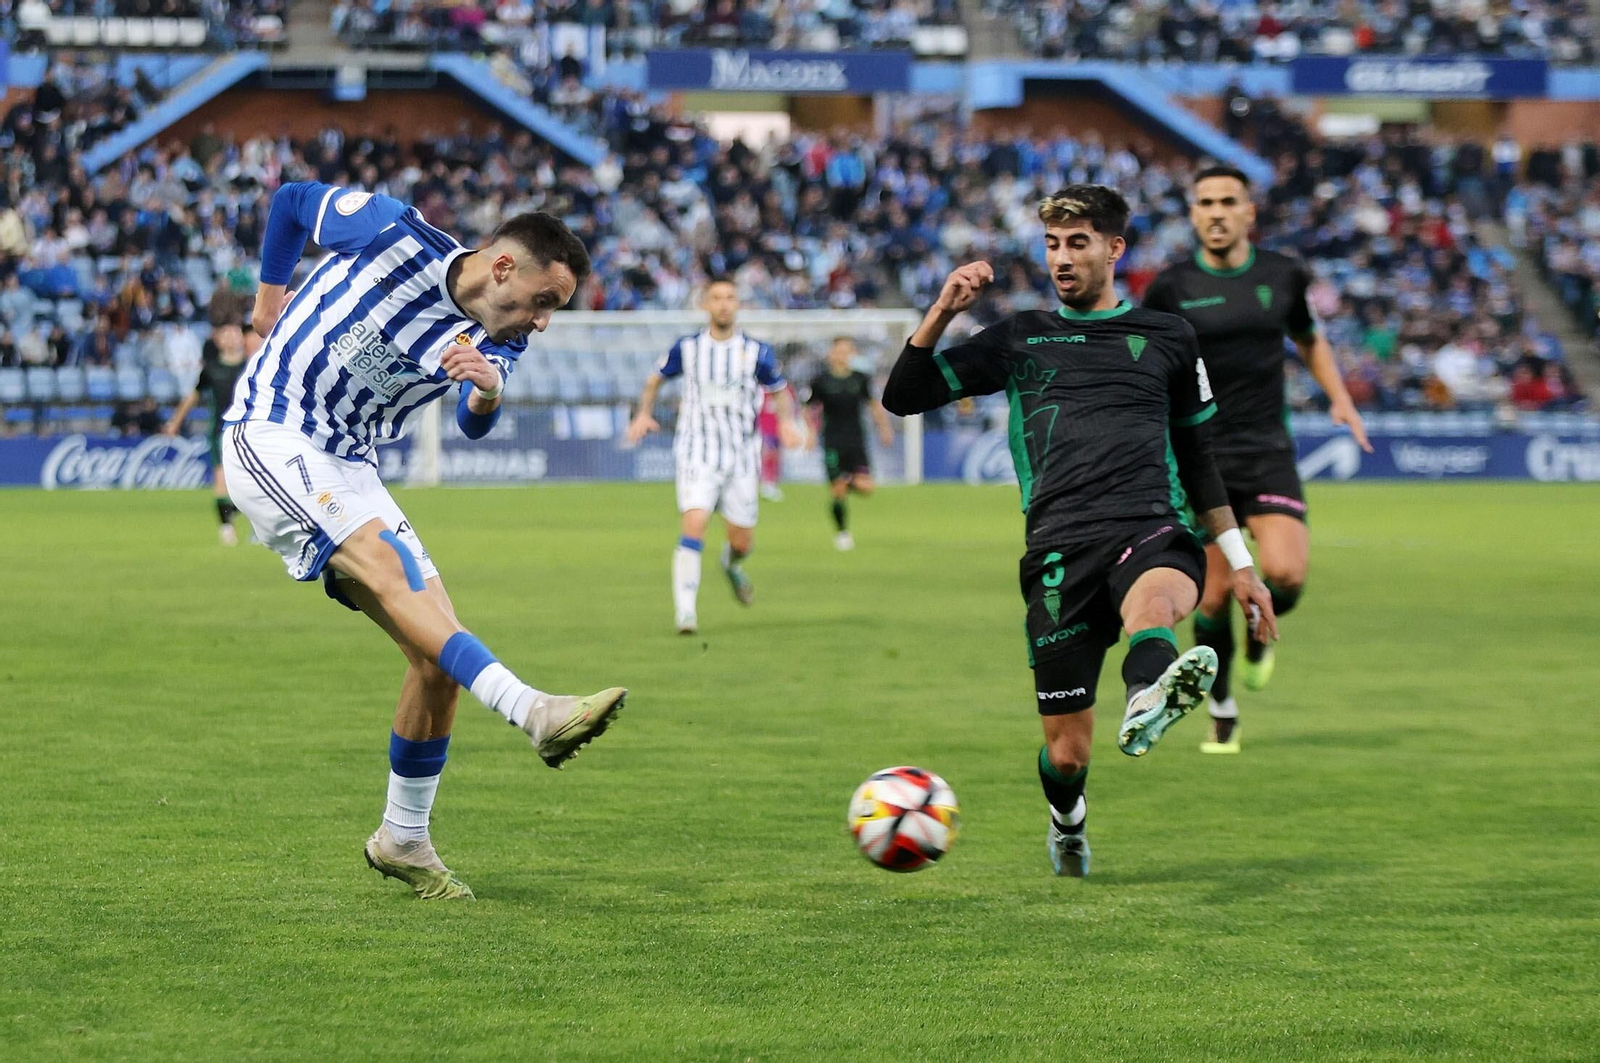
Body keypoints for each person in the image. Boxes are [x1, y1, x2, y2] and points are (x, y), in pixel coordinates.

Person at [222, 180, 626, 901]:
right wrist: (268, 295)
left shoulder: (496, 337)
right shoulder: (387, 230)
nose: (542, 322)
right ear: (504, 266)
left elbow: (474, 419)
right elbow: (288, 203)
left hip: (350, 464)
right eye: (545, 301)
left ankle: (403, 836)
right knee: (390, 577)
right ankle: (531, 708)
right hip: (275, 430)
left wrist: (488, 394)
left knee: (436, 652)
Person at [881, 185, 1278, 878]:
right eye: (1052, 244)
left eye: (1078, 243)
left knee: (1155, 599)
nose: (1061, 258)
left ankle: (1148, 692)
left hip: (1151, 525)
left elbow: (1200, 460)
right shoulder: (1019, 337)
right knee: (1067, 754)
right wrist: (943, 310)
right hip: (1059, 550)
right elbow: (903, 395)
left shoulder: (1169, 337)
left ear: (1114, 248)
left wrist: (1240, 562)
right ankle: (1068, 821)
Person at [1143, 165, 1371, 754]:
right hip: (1200, 456)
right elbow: (1144, 358)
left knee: (1288, 576)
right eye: (1205, 202)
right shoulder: (1171, 287)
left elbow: (1309, 338)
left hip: (1268, 450)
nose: (1216, 212)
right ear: (1192, 214)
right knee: (1213, 597)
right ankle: (1221, 705)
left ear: (1249, 212)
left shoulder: (1283, 274)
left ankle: (1262, 632)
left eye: (1228, 201)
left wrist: (1340, 397)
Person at [624, 278, 804, 634]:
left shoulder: (757, 352)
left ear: (738, 305)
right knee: (693, 524)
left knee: (742, 542)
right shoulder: (687, 348)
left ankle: (732, 565)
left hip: (740, 458)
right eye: (716, 298)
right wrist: (644, 414)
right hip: (697, 453)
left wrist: (785, 423)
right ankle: (686, 613)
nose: (723, 304)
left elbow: (780, 390)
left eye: (730, 298)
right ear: (705, 305)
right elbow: (654, 380)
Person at [162, 321, 253, 545]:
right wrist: (175, 422)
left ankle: (255, 525)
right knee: (221, 480)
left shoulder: (252, 367)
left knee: (253, 482)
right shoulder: (211, 369)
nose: (231, 337)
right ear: (218, 340)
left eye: (235, 333)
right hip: (220, 432)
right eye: (227, 334)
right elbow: (193, 397)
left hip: (248, 431)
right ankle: (226, 528)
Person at [804, 336, 894, 550]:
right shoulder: (821, 381)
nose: (842, 355)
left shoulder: (861, 379)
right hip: (832, 441)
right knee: (837, 491)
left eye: (847, 351)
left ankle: (847, 482)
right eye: (838, 351)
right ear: (831, 354)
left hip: (856, 440)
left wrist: (884, 428)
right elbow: (809, 409)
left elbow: (873, 405)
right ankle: (842, 533)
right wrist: (810, 433)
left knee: (866, 488)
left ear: (852, 354)